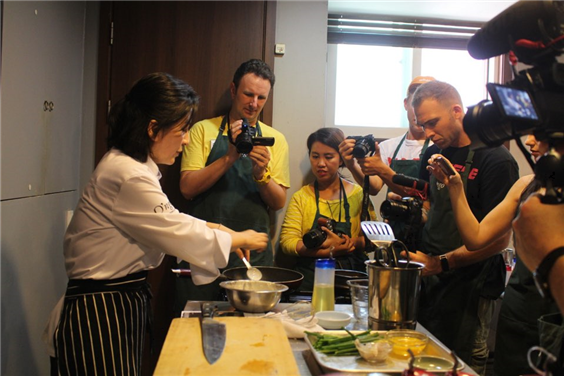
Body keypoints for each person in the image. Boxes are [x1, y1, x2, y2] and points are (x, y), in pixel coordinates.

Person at [43, 72, 268, 375]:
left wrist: (227, 232)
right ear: (153, 128)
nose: (186, 139)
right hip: (98, 309)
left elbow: (171, 219)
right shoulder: (127, 174)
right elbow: (178, 231)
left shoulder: (137, 167)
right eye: (182, 130)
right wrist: (241, 240)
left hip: (118, 302)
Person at [405, 80, 519, 375]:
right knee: (423, 355)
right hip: (431, 276)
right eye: (422, 125)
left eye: (433, 123)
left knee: (462, 363)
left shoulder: (496, 160)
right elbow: (432, 210)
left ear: (457, 111)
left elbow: (497, 241)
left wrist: (443, 263)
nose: (428, 133)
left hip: (472, 280)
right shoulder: (433, 153)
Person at [427, 135, 561, 375]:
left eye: (540, 135)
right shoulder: (526, 184)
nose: (529, 141)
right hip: (521, 306)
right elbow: (476, 238)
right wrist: (456, 186)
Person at [176, 59, 290, 303]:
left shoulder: (275, 139)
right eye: (248, 94)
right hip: (204, 249)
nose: (254, 103)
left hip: (252, 253)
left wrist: (262, 175)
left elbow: (279, 201)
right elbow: (187, 188)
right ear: (232, 90)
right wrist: (230, 156)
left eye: (261, 98)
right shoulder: (202, 130)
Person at [338, 76, 434, 247]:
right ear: (406, 104)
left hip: (428, 231)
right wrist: (352, 164)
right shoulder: (390, 146)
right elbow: (374, 187)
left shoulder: (438, 147)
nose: (419, 112)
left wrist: (382, 169)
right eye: (415, 103)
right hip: (396, 231)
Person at [279, 127, 375, 291]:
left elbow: (374, 239)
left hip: (351, 284)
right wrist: (326, 252)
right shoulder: (301, 197)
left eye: (328, 157)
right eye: (315, 156)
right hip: (311, 283)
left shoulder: (358, 194)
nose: (320, 163)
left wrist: (348, 243)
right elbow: (287, 242)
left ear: (341, 159)